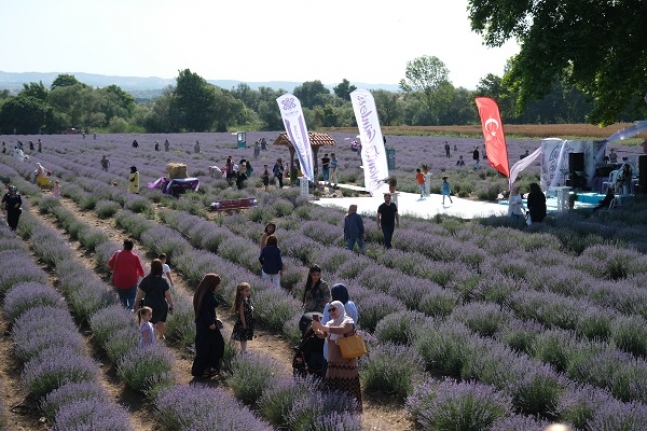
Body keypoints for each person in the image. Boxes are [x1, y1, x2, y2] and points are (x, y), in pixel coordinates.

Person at [312, 300, 362, 412]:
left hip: (346, 363)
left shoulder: (348, 321)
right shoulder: (330, 324)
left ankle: (350, 411)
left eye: (333, 309)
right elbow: (323, 334)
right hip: (333, 361)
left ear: (340, 309)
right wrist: (317, 330)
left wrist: (323, 327)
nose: (331, 312)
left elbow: (342, 329)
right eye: (329, 310)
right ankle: (336, 411)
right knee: (333, 388)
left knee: (347, 388)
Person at [321, 283, 359, 377]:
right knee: (347, 365)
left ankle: (326, 385)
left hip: (333, 341)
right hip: (349, 340)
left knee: (329, 362)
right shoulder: (351, 305)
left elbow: (324, 323)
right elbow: (355, 320)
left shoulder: (329, 307)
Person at [191, 274, 225, 378]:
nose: (218, 286)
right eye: (217, 284)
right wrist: (210, 323)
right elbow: (204, 311)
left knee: (211, 346)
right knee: (208, 347)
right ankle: (202, 370)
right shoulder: (206, 295)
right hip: (206, 324)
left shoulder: (205, 293)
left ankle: (208, 368)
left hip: (206, 323)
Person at [134, 259, 174, 340]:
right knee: (161, 322)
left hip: (149, 306)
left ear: (152, 268)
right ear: (161, 269)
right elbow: (167, 295)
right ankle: (161, 336)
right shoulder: (163, 281)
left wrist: (136, 303)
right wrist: (171, 304)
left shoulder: (146, 280)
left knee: (149, 323)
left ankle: (151, 340)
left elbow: (140, 293)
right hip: (162, 306)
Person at [108, 239, 145, 310]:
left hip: (119, 281)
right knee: (132, 299)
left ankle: (125, 312)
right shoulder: (135, 257)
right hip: (132, 281)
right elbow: (141, 271)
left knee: (123, 299)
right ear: (131, 247)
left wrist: (117, 269)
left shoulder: (117, 254)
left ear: (124, 246)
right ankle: (130, 312)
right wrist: (138, 275)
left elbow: (110, 264)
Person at [231, 282, 255, 354]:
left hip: (248, 320)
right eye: (246, 291)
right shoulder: (241, 301)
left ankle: (243, 350)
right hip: (243, 321)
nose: (248, 292)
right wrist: (244, 324)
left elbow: (247, 308)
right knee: (242, 337)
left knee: (244, 337)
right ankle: (242, 351)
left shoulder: (246, 298)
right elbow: (241, 314)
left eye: (249, 290)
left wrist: (251, 308)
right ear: (241, 291)